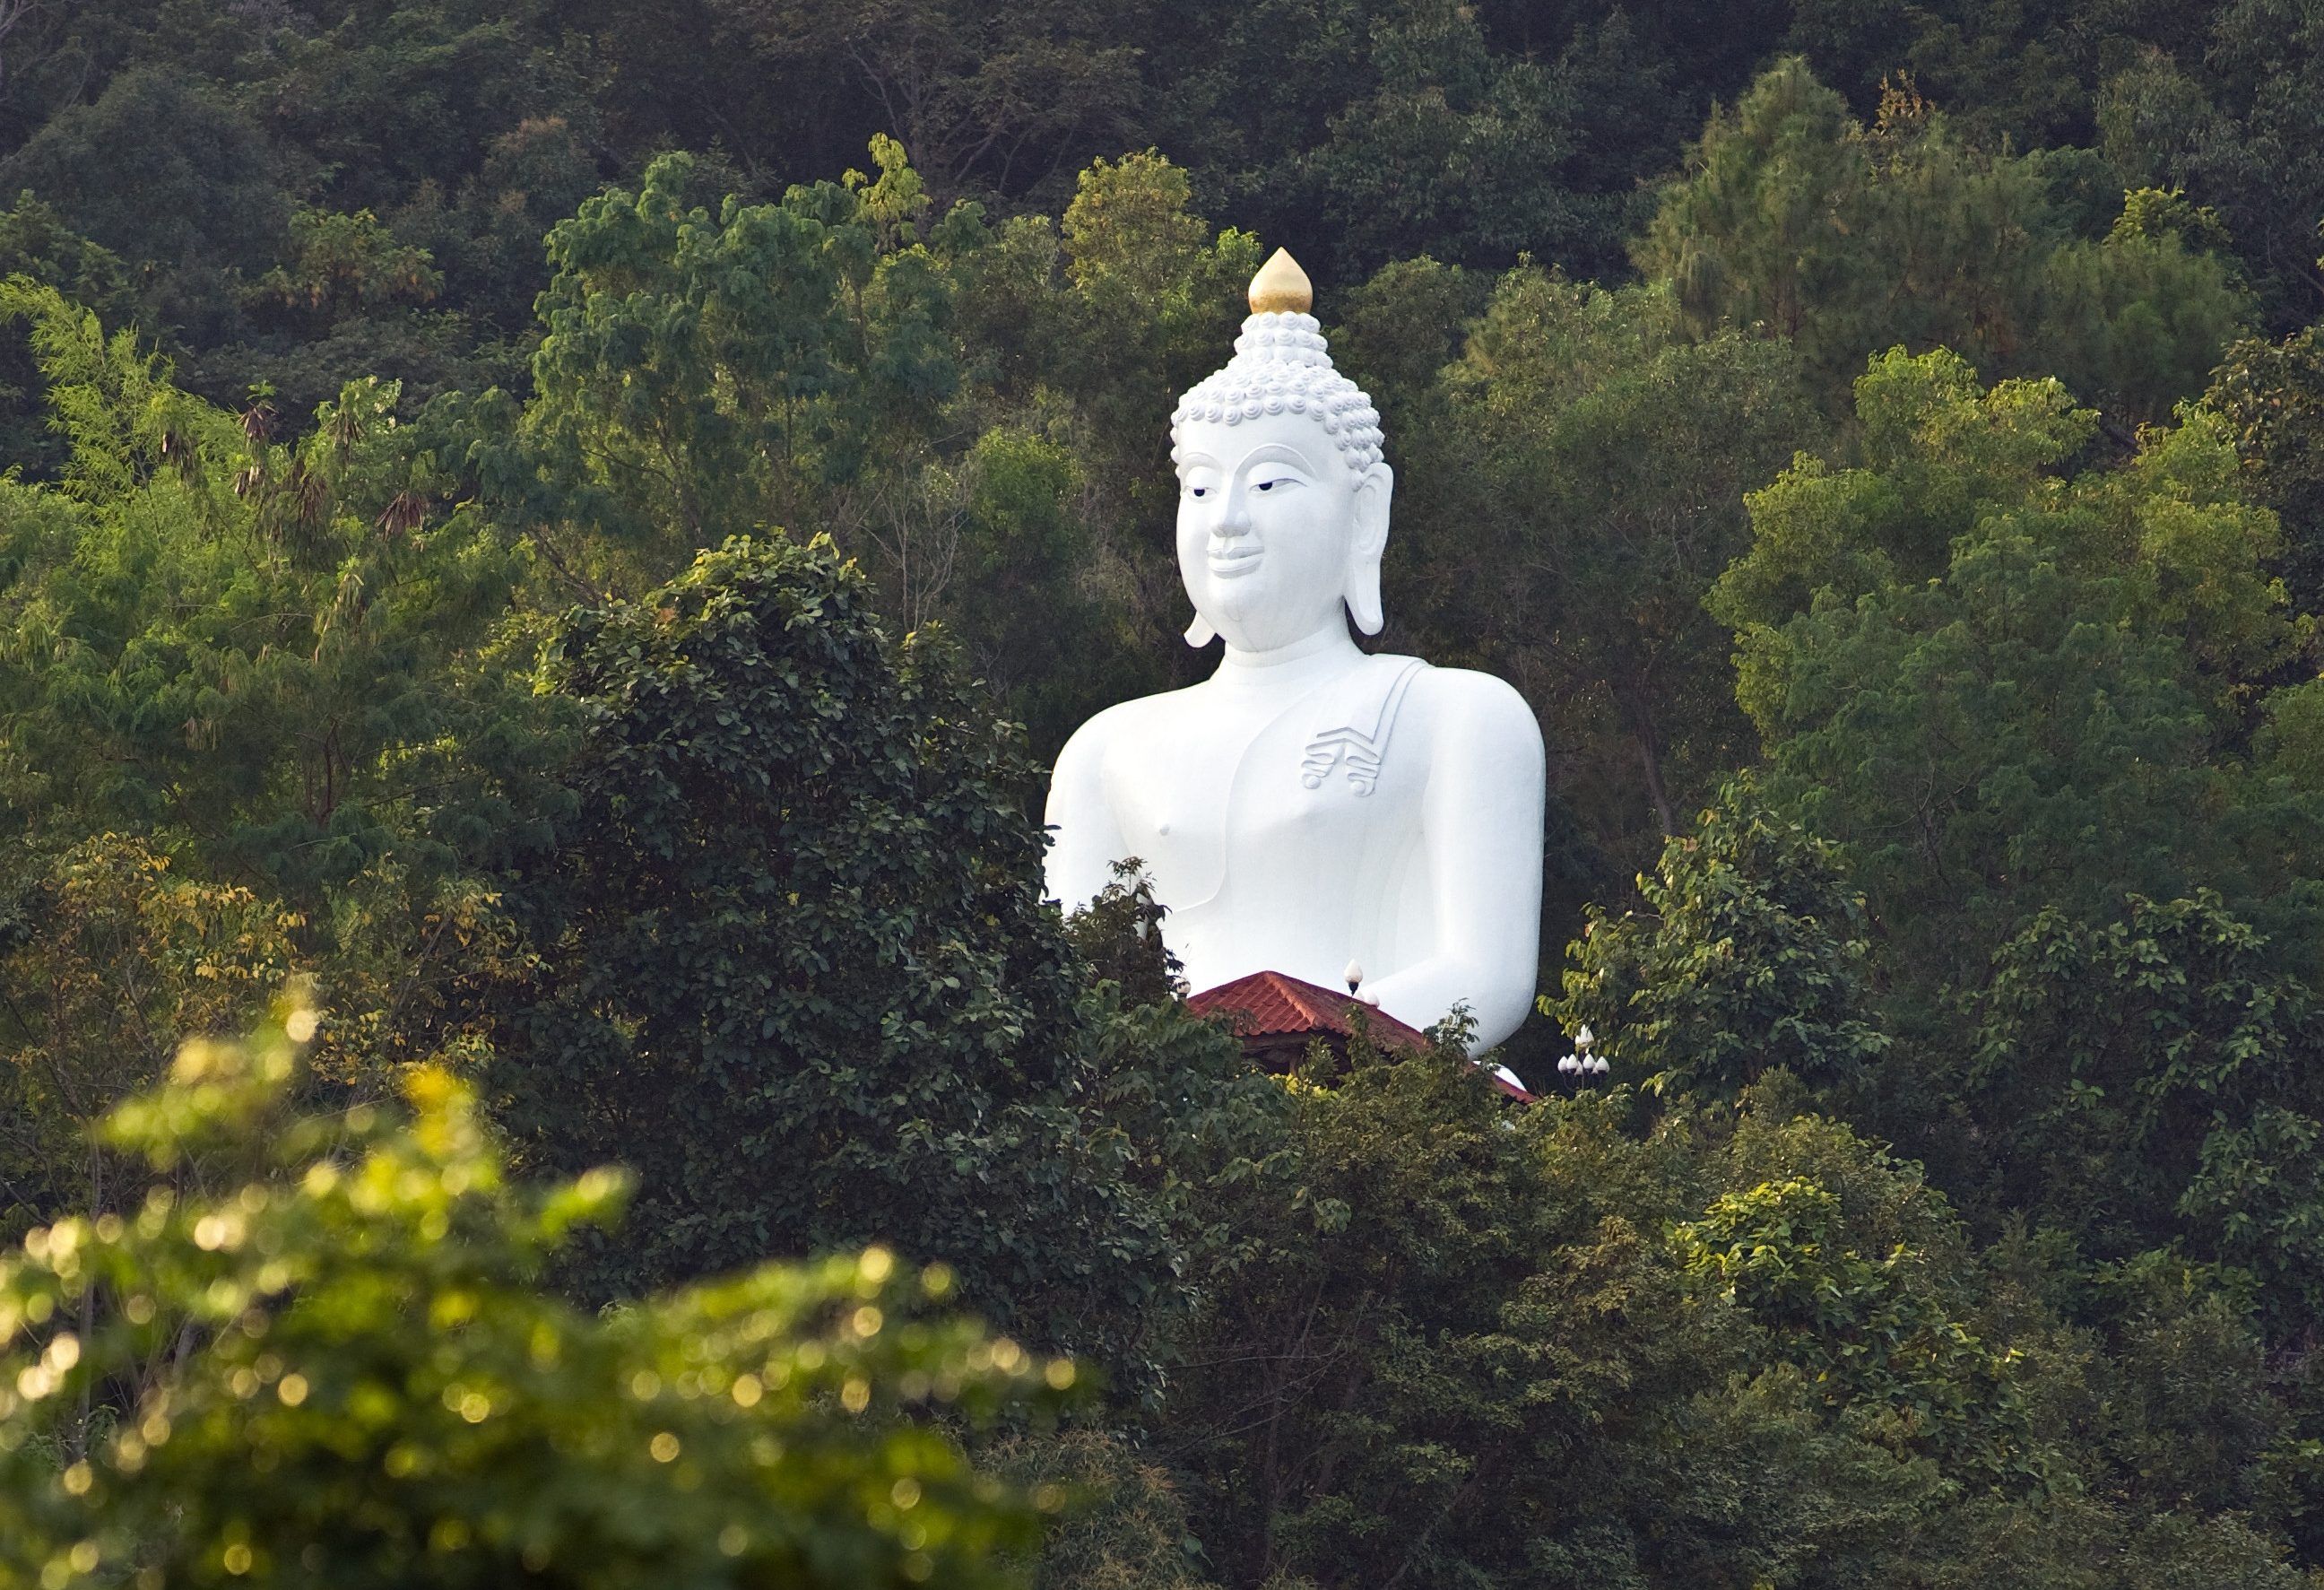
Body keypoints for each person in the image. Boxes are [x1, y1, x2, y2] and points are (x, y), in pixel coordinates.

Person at [1045, 249, 1546, 1051]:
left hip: (1388, 1106)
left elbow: (1487, 976)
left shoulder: (1457, 716)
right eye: (1202, 489)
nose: (1228, 520)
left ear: (1365, 513)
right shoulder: (1106, 748)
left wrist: (1320, 1064)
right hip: (1164, 1116)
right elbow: (1062, 998)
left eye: (1271, 483)